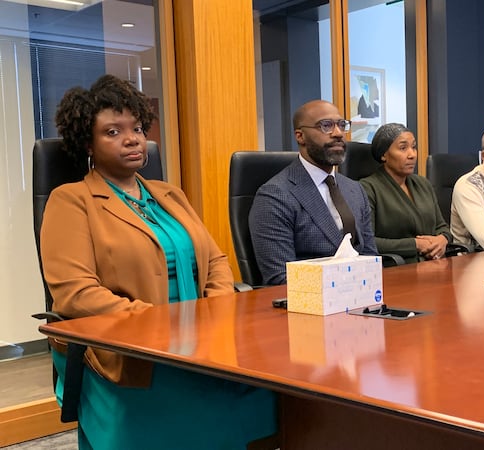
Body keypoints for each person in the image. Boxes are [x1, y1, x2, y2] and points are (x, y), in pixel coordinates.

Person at [40, 74, 277, 449]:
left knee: (273, 398)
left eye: (136, 127)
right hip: (131, 353)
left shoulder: (169, 194)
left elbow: (214, 259)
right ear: (87, 142)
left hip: (203, 343)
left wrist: (212, 312)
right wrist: (158, 326)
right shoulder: (71, 200)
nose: (132, 138)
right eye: (113, 132)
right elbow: (75, 293)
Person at [249, 99, 378, 285]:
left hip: (361, 298)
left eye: (342, 125)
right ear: (300, 136)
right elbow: (280, 278)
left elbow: (370, 256)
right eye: (326, 126)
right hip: (309, 305)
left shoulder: (354, 189)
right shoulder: (274, 196)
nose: (338, 133)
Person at [359, 123, 451, 263]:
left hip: (434, 265)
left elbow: (442, 226)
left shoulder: (423, 184)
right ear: (384, 154)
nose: (412, 154)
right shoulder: (368, 188)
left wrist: (442, 239)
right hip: (398, 268)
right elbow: (367, 241)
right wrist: (415, 244)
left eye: (413, 147)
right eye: (403, 148)